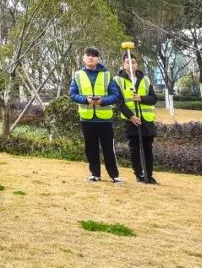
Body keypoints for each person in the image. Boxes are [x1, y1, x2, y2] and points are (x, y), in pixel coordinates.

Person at [68, 46, 124, 183]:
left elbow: (116, 95)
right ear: (83, 58)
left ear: (98, 58)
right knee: (90, 148)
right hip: (86, 118)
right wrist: (85, 100)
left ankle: (114, 176)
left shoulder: (107, 75)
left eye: (94, 55)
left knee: (108, 148)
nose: (91, 57)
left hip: (104, 119)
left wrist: (102, 101)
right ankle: (95, 174)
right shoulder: (77, 75)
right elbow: (72, 94)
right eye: (88, 55)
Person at [115, 53, 159, 184]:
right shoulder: (117, 80)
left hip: (147, 120)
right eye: (128, 62)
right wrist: (131, 116)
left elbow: (153, 99)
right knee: (134, 149)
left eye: (133, 62)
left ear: (137, 64)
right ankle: (139, 175)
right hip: (130, 121)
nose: (131, 65)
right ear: (123, 64)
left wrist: (141, 98)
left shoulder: (145, 79)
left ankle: (149, 175)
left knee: (148, 149)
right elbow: (119, 102)